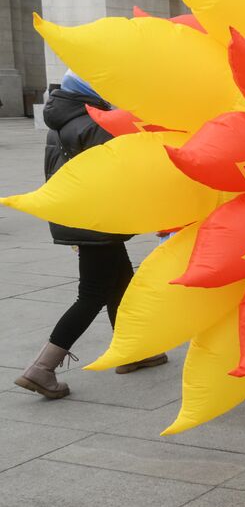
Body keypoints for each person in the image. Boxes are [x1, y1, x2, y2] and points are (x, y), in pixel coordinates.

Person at [13, 71, 173, 401]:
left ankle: (131, 352)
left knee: (122, 281)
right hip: (96, 219)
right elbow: (121, 174)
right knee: (92, 293)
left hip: (79, 215)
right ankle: (43, 367)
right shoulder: (94, 122)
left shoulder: (62, 118)